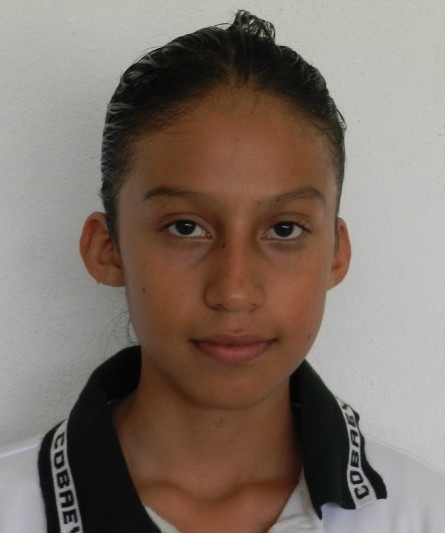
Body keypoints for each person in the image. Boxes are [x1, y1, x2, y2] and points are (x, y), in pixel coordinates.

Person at [1, 9, 444, 533]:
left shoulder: (422, 514)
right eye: (186, 227)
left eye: (284, 229)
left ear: (335, 254)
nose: (234, 292)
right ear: (108, 249)